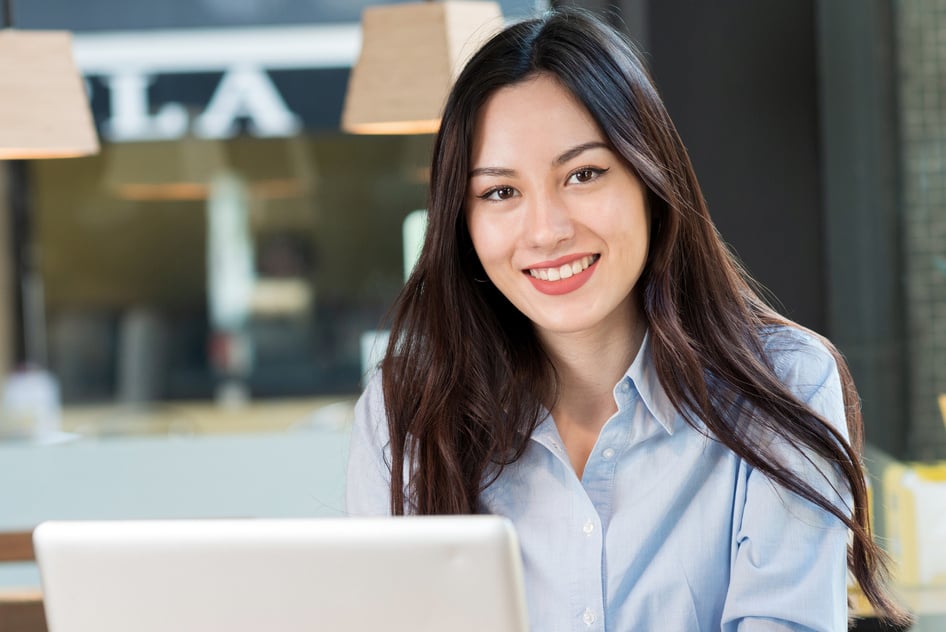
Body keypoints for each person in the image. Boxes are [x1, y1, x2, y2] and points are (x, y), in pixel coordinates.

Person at [346, 7, 909, 631]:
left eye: (583, 174)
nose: (547, 231)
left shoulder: (784, 387)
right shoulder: (407, 413)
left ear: (651, 181)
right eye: (500, 192)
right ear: (463, 220)